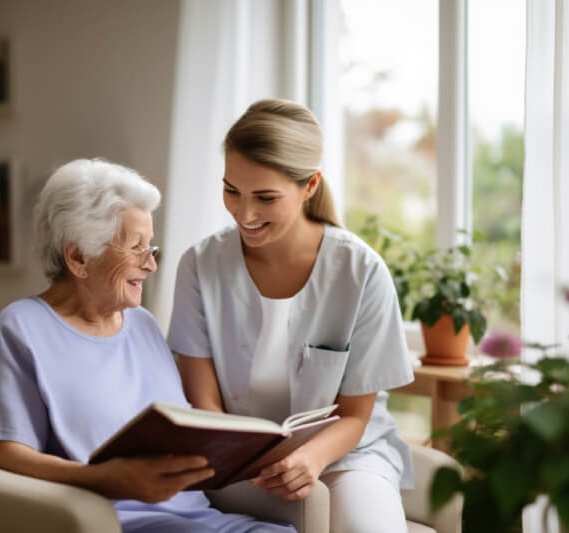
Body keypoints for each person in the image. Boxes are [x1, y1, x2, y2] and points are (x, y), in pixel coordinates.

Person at [0, 158, 295, 533]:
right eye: (136, 248)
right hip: (112, 521)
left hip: (200, 517)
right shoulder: (21, 327)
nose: (151, 265)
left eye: (151, 247)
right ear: (78, 257)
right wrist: (106, 478)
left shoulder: (143, 325)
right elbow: (10, 457)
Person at [168, 99, 415, 533]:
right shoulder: (198, 266)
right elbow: (203, 405)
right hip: (235, 459)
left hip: (344, 457)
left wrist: (311, 458)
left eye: (265, 197)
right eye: (231, 190)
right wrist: (245, 461)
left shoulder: (361, 272)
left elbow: (356, 416)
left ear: (310, 186)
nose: (245, 214)